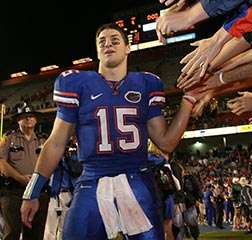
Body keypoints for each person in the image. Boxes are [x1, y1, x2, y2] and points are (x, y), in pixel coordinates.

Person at [20, 23, 201, 240]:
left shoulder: (146, 84)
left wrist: (188, 101)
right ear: (97, 51)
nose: (108, 44)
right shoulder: (76, 83)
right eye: (102, 42)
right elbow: (56, 142)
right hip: (92, 180)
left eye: (115, 40)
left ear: (127, 48)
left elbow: (166, 142)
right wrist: (32, 191)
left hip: (138, 179)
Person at [0, 103, 49, 240]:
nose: (29, 119)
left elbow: (51, 163)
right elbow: (1, 163)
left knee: (35, 234)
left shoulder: (43, 139)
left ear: (36, 119)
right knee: (12, 233)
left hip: (38, 192)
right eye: (25, 116)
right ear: (18, 120)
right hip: (14, 193)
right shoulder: (8, 138)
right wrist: (21, 178)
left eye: (31, 116)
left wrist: (36, 181)